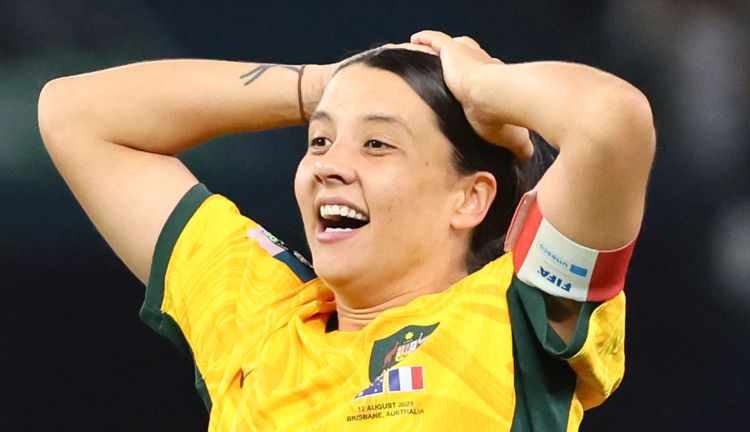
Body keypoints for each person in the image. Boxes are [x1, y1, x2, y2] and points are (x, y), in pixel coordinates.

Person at [38, 30, 655, 431]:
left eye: (377, 144)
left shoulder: (524, 311)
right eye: (320, 141)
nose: (330, 165)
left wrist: (484, 87)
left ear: (470, 198)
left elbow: (612, 121)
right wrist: (327, 81)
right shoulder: (259, 318)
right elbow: (75, 113)